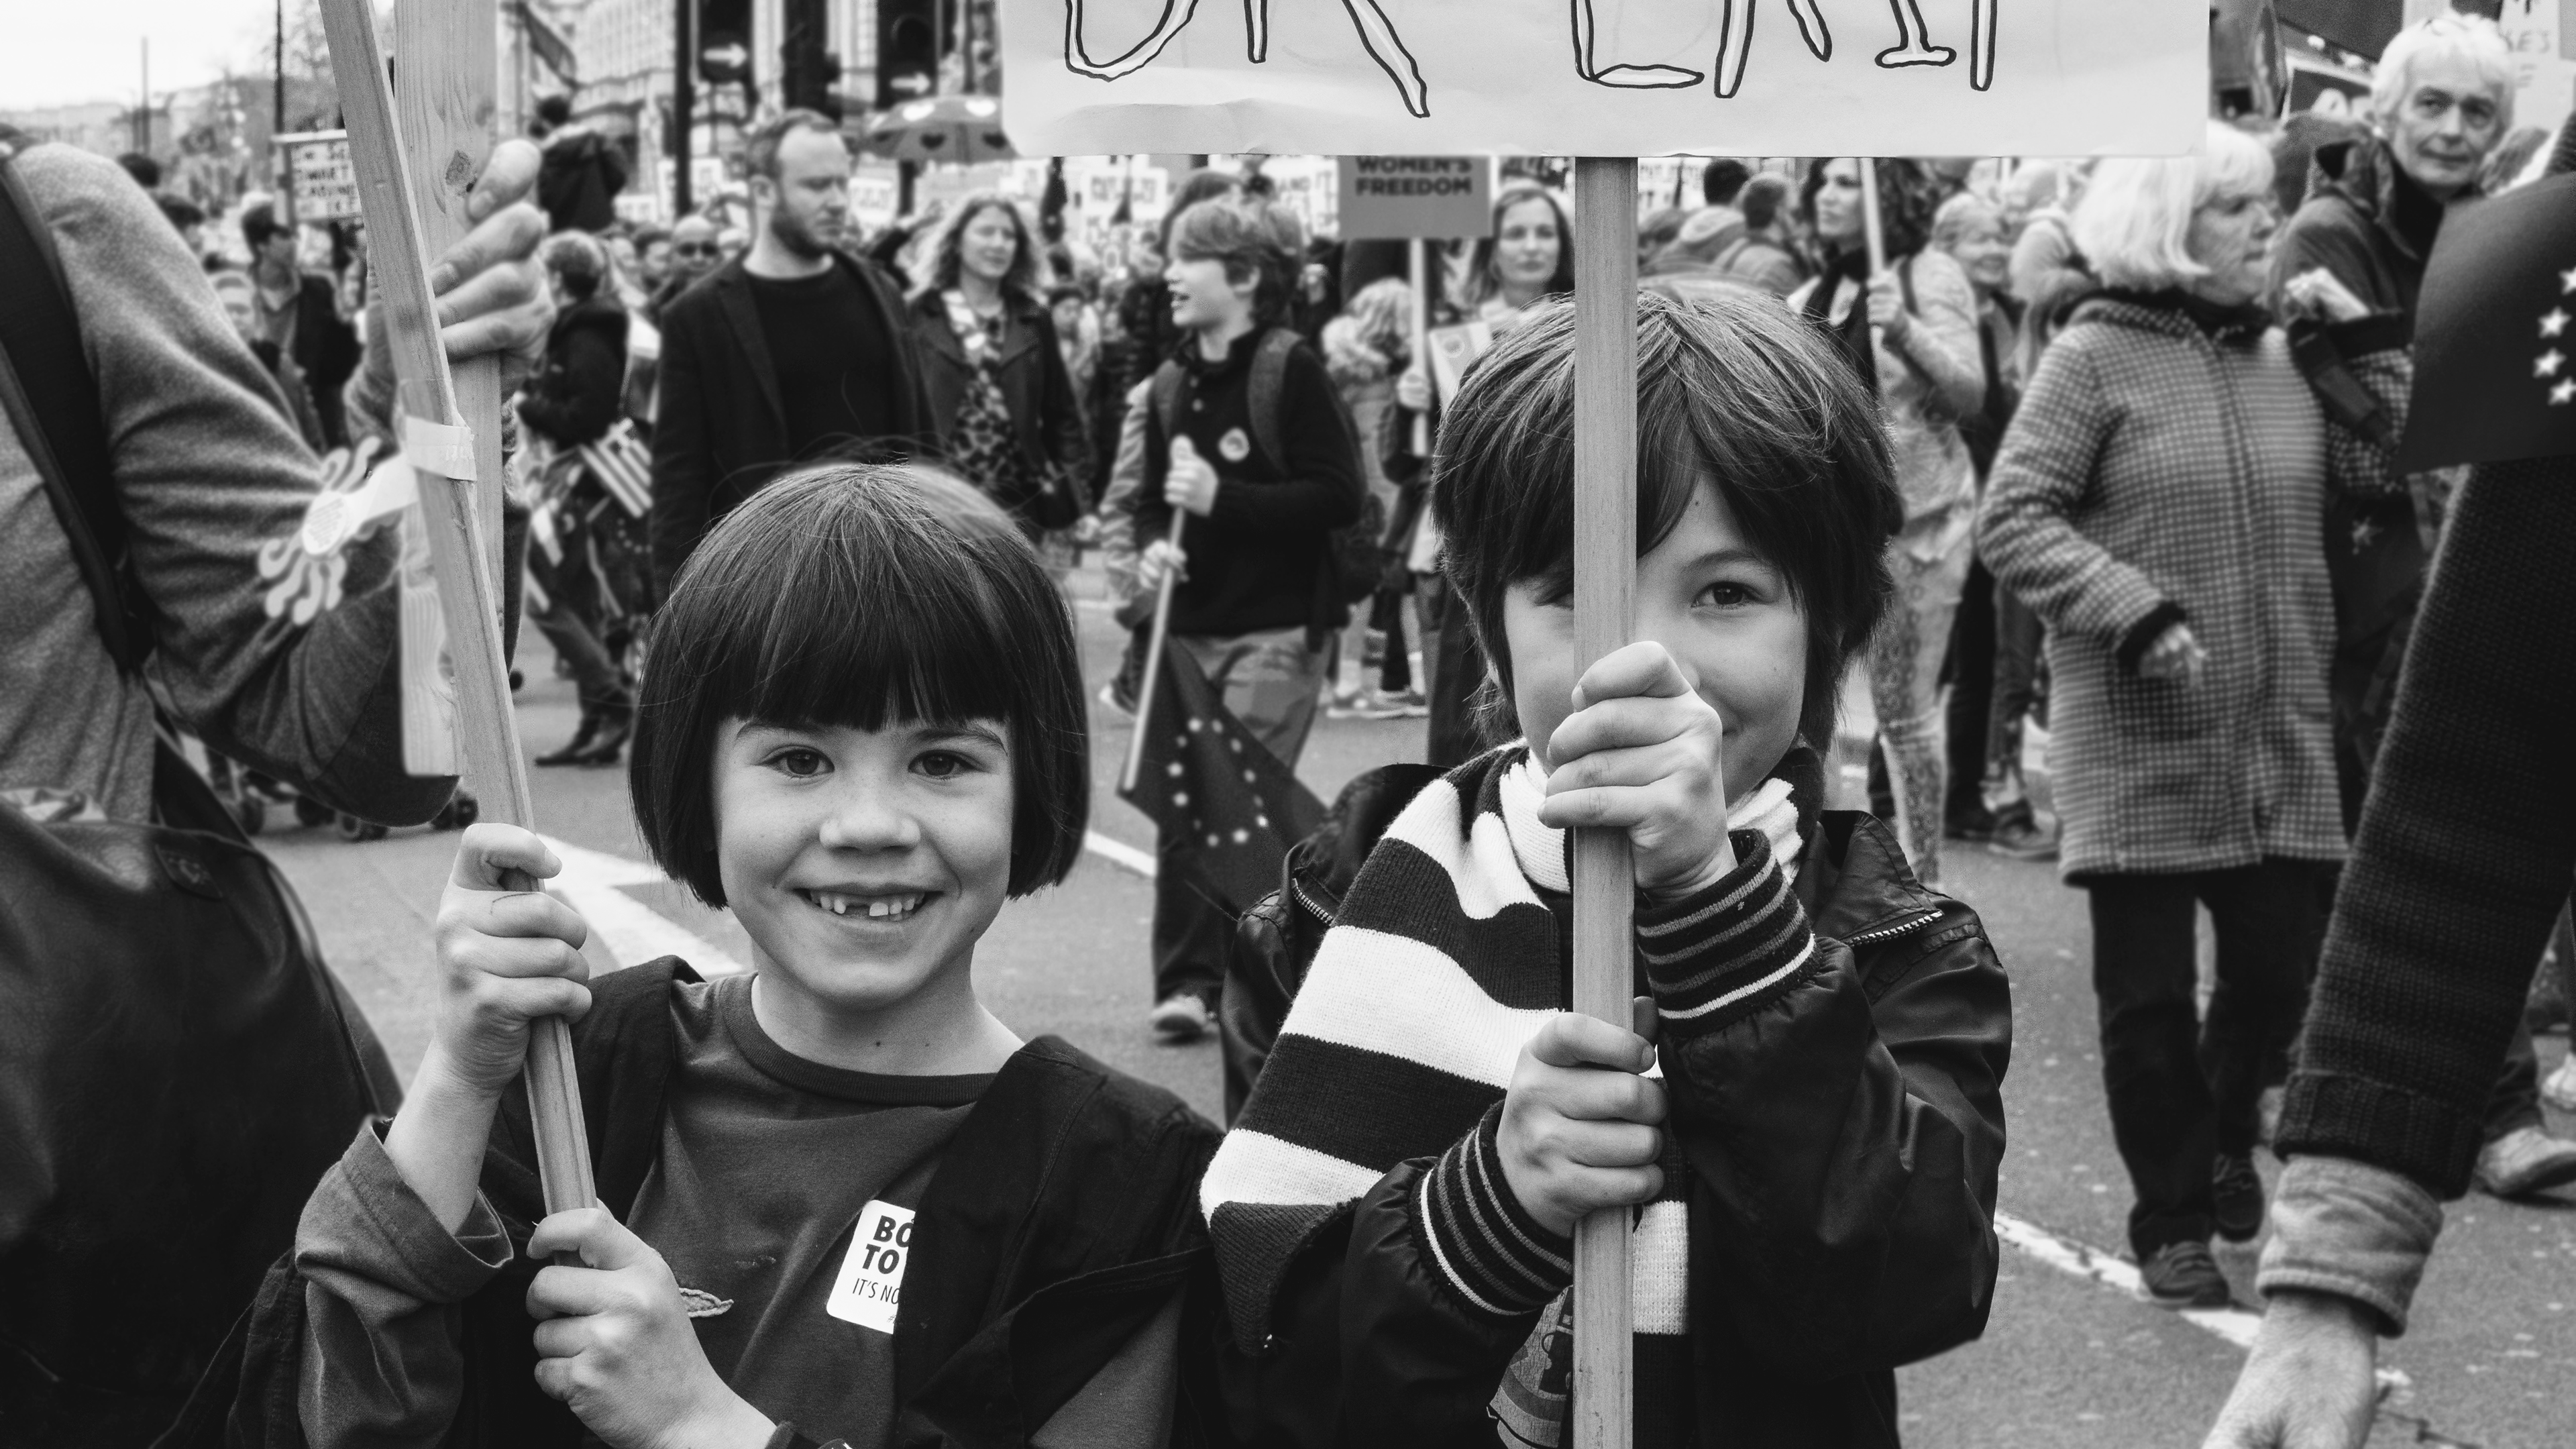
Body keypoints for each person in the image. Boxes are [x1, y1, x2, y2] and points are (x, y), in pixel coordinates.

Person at [197, 464, 1219, 1448]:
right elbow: (330, 1416)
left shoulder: (1124, 1188)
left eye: (943, 760)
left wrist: (704, 1427)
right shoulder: (573, 1073)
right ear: (701, 786)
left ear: (1033, 784)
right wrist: (460, 1074)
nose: (868, 823)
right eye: (799, 759)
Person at [1203, 284, 2008, 1447]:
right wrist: (1484, 1209)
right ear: (1488, 626)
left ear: (1827, 630)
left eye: (1726, 593)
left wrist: (1719, 916)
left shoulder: (1894, 949)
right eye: (1578, 594)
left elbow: (1900, 1285)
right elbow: (1260, 1356)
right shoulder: (1340, 914)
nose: (1646, 666)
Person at [1978, 122, 2412, 1309]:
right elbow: (2012, 520)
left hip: (2278, 732)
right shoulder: (2094, 356)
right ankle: (2171, 1216)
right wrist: (2131, 609)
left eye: (2262, 205)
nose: (2265, 222)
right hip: (2141, 733)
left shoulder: (2287, 352)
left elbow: (2401, 467)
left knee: (2280, 982)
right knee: (2149, 1001)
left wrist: (2356, 341)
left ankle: (2225, 1133)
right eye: (2234, 209)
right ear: (2171, 226)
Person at [1124, 195, 1364, 1044]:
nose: (1170, 275)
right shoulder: (1170, 383)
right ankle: (1196, 982)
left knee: (1232, 800)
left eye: (1186, 258)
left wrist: (1222, 498)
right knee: (1189, 805)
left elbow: (1339, 494)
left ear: (1245, 276)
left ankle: (1248, 976)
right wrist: (1157, 548)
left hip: (1274, 628)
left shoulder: (1288, 369)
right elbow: (1154, 504)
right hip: (1190, 631)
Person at [1790, 157, 1984, 887]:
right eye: (1824, 184)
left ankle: (1924, 888)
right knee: (1810, 712)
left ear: (1887, 193)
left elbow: (1969, 392)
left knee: (1904, 718)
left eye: (1848, 182)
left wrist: (1903, 330)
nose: (1831, 196)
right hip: (1827, 533)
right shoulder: (1812, 292)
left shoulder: (1927, 277)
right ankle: (1813, 874)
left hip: (1917, 531)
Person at [650, 109, 934, 597]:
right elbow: (680, 482)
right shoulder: (696, 317)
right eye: (818, 186)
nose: (838, 202)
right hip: (770, 595)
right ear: (763, 191)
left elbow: (924, 441)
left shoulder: (881, 291)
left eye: (843, 184)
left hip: (892, 579)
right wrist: (673, 619)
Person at [1383, 178, 1577, 767]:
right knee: (1463, 711)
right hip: (1463, 551)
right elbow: (1404, 465)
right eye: (1515, 232)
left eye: (1544, 232)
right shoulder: (1453, 341)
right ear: (1491, 246)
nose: (1530, 246)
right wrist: (1411, 406)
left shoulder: (1598, 319)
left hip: (1557, 536)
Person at [1927, 192, 2053, 862]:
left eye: (2002, 239)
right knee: (1936, 665)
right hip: (1944, 510)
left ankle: (1964, 798)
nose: (1999, 252)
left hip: (1993, 506)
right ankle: (1904, 799)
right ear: (1946, 246)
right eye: (1983, 240)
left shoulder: (2003, 316)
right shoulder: (1939, 317)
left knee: (1979, 658)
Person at [515, 231, 639, 767]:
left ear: (559, 279)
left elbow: (586, 416)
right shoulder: (582, 326)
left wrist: (530, 404)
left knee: (540, 591)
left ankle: (610, 698)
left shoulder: (585, 333)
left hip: (584, 485)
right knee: (574, 596)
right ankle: (598, 718)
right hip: (579, 487)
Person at [904, 193, 1089, 540]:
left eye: (1009, 236)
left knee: (1012, 594)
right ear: (957, 240)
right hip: (934, 499)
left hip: (1016, 502)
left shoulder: (1033, 318)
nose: (999, 243)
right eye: (986, 232)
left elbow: (1062, 414)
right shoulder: (917, 314)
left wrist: (1072, 487)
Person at [1317, 275, 1425, 719]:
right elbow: (1374, 453)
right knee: (1393, 592)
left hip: (1349, 500)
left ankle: (1348, 685)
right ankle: (1397, 685)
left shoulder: (1343, 373)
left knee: (1364, 596)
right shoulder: (1377, 382)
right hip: (1378, 503)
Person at [241, 199, 360, 450]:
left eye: (295, 234)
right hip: (256, 417)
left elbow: (339, 369)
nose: (294, 243)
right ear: (261, 245)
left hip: (309, 416)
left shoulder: (318, 292)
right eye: (284, 235)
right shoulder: (236, 296)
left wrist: (343, 324)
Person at [207, 267, 328, 451]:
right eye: (227, 310)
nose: (234, 318)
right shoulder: (195, 366)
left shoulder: (277, 365)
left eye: (242, 310)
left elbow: (311, 436)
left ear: (255, 318)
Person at [530, 94, 629, 235]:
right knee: (605, 254)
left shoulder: (544, 154)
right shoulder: (597, 141)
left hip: (564, 233)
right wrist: (601, 196)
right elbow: (618, 174)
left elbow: (543, 195)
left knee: (571, 257)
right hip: (602, 226)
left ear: (545, 122)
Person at [647, 212, 720, 321]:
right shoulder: (654, 311)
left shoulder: (739, 306)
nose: (699, 259)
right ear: (671, 257)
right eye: (688, 250)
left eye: (708, 250)